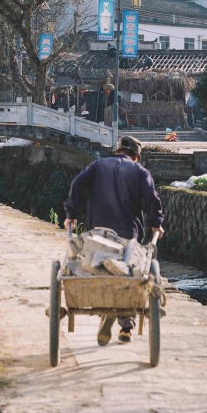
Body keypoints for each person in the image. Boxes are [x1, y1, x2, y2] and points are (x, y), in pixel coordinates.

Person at [63, 135, 164, 346]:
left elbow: (77, 184)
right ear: (136, 156)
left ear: (117, 151)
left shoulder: (98, 165)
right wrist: (156, 223)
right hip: (128, 236)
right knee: (127, 274)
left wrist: (71, 214)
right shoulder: (140, 172)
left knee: (99, 269)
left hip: (98, 234)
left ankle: (105, 312)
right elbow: (152, 199)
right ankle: (126, 326)